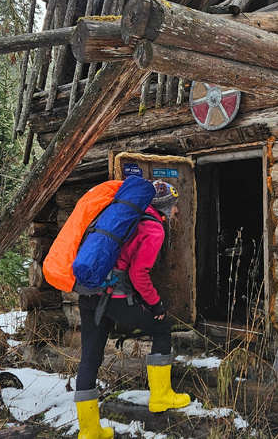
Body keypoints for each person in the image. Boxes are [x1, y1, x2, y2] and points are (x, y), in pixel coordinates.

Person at [74, 179, 191, 439]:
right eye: (175, 207)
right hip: (115, 297)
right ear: (165, 207)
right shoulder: (153, 228)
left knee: (90, 359)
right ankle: (161, 396)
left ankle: (89, 431)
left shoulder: (124, 219)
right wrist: (155, 304)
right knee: (161, 325)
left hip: (89, 294)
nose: (176, 212)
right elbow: (139, 273)